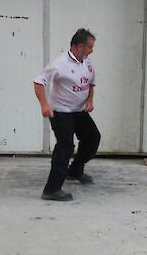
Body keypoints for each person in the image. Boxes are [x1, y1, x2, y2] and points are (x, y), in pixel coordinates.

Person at [34, 28, 101, 201]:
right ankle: (51, 190)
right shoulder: (59, 63)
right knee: (65, 147)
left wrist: (90, 101)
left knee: (93, 138)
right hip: (61, 112)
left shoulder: (86, 62)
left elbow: (91, 83)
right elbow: (39, 81)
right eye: (90, 47)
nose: (92, 50)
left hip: (79, 111)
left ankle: (75, 170)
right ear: (80, 46)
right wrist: (44, 104)